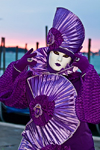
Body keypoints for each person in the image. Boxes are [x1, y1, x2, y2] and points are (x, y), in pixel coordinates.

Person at [0, 7, 100, 150]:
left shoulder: (80, 82)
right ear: (48, 52)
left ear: (72, 59)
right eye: (56, 53)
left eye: (66, 56)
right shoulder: (32, 79)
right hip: (35, 144)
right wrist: (18, 67)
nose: (59, 58)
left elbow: (95, 115)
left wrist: (88, 72)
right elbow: (4, 92)